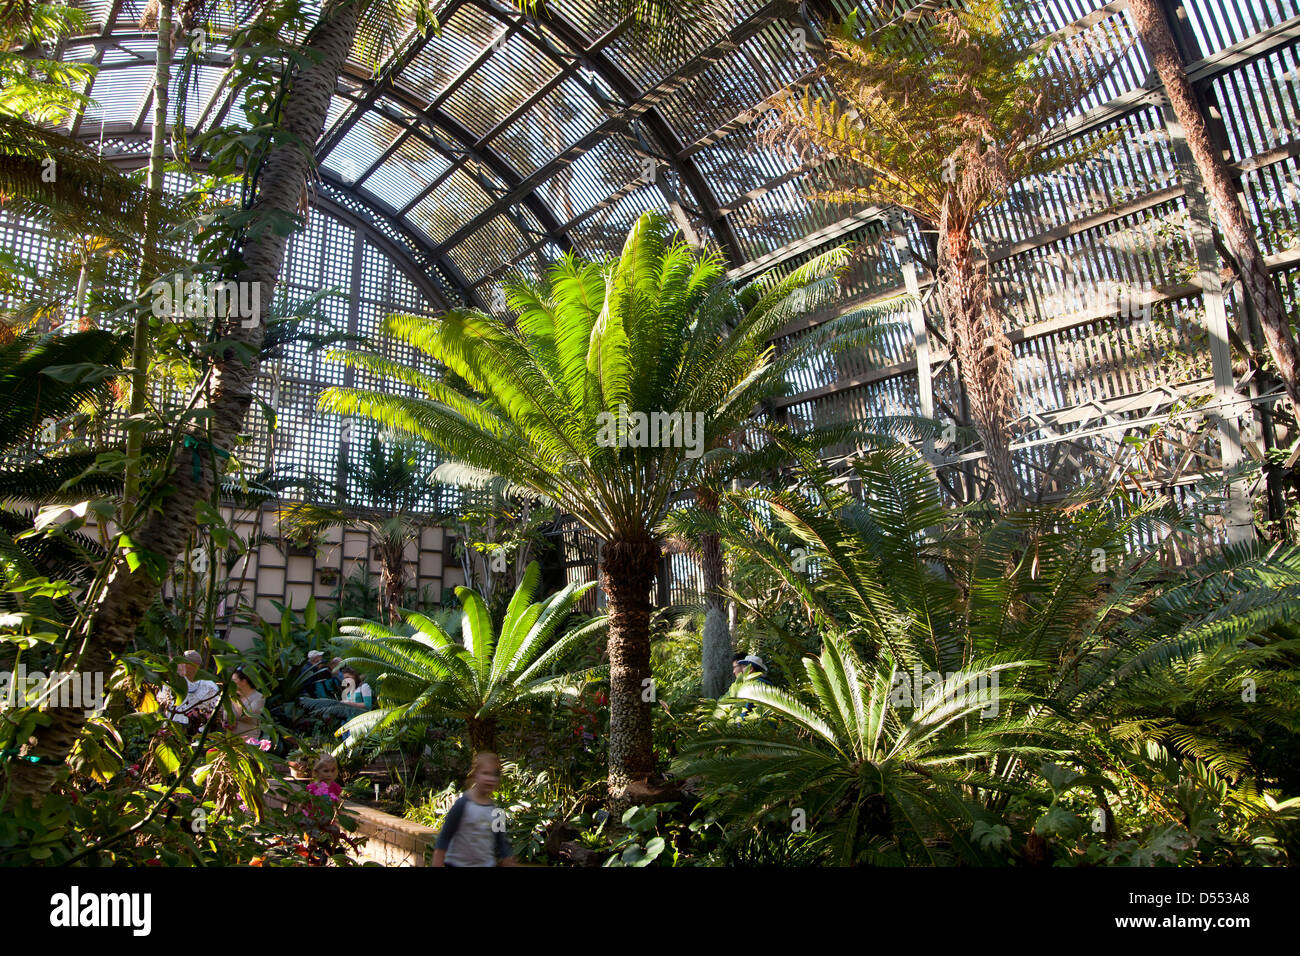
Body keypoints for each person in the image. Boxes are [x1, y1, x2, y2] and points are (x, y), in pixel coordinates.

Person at [431, 751, 517, 867]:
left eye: (494, 775)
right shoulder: (462, 805)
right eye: (485, 773)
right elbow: (444, 838)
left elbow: (501, 842)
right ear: (475, 775)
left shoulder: (497, 812)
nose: (490, 778)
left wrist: (507, 857)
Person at [156, 650, 221, 733]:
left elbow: (214, 712)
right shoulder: (173, 682)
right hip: (171, 730)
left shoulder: (210, 686)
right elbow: (160, 705)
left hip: (198, 733)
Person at [228, 668, 265, 738]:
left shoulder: (259, 697)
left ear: (244, 681)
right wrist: (224, 722)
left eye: (234, 680)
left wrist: (234, 699)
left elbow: (247, 716)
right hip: (228, 737)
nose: (231, 683)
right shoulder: (231, 695)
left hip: (248, 738)